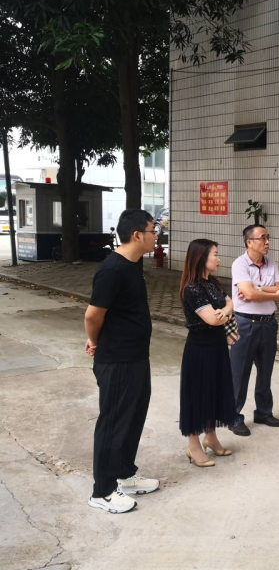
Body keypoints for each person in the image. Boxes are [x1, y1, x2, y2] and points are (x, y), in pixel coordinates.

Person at [84, 209, 159, 514]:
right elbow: (92, 315)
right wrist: (95, 340)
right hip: (117, 360)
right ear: (137, 235)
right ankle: (102, 491)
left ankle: (124, 475)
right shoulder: (112, 269)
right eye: (153, 231)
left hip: (136, 356)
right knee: (113, 422)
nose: (157, 236)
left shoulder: (134, 263)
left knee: (133, 417)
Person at [178, 239, 238, 467]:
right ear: (201, 257)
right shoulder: (192, 288)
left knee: (215, 390)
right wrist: (225, 311)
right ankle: (193, 446)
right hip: (199, 350)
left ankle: (210, 437)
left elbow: (230, 302)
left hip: (217, 347)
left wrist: (225, 310)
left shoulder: (211, 282)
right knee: (197, 396)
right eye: (215, 254)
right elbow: (213, 319)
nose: (218, 259)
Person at [228, 225, 279, 436]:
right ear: (249, 242)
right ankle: (233, 416)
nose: (267, 241)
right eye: (263, 238)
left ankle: (263, 412)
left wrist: (258, 288)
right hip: (245, 324)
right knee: (239, 373)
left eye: (268, 237)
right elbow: (250, 295)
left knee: (265, 371)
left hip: (268, 324)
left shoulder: (271, 263)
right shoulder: (240, 264)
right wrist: (271, 293)